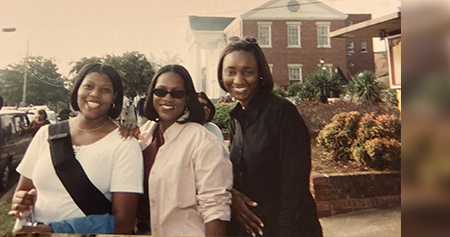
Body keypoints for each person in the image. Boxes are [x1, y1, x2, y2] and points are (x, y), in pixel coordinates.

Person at [8, 64, 144, 234]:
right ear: (77, 89)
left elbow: (123, 222)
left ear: (114, 96)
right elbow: (22, 191)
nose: (95, 94)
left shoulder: (124, 144)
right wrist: (20, 201)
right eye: (88, 86)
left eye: (105, 90)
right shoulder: (46, 134)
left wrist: (53, 229)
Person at [217, 37, 322, 237]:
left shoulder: (282, 112)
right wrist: (231, 194)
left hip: (286, 229)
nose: (238, 80)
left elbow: (294, 187)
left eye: (248, 72)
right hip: (251, 229)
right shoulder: (237, 118)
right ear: (222, 76)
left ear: (260, 75)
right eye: (231, 72)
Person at [122, 64, 233, 236]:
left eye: (177, 93)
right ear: (152, 94)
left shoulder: (202, 140)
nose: (167, 98)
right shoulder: (144, 133)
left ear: (187, 99)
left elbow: (215, 207)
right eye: (160, 91)